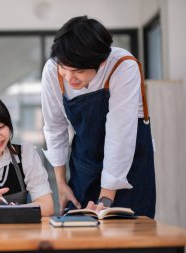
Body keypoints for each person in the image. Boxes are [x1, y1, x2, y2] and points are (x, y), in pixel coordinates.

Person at [41, 16, 156, 217]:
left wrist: (105, 198)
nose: (69, 78)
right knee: (78, 236)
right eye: (64, 69)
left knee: (130, 237)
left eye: (78, 71)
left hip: (130, 164)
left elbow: (119, 135)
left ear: (101, 63)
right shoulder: (52, 69)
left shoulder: (123, 66)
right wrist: (61, 183)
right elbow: (54, 127)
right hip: (85, 163)